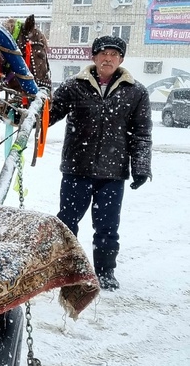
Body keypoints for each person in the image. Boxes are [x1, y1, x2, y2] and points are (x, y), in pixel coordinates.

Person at [48, 35, 152, 290]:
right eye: (103, 53)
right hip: (77, 169)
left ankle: (105, 271)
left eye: (114, 54)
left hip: (112, 174)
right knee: (67, 223)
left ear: (121, 59)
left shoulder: (136, 92)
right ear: (93, 57)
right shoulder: (74, 86)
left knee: (107, 227)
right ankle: (63, 268)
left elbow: (142, 133)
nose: (108, 58)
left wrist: (140, 166)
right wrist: (21, 113)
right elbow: (48, 115)